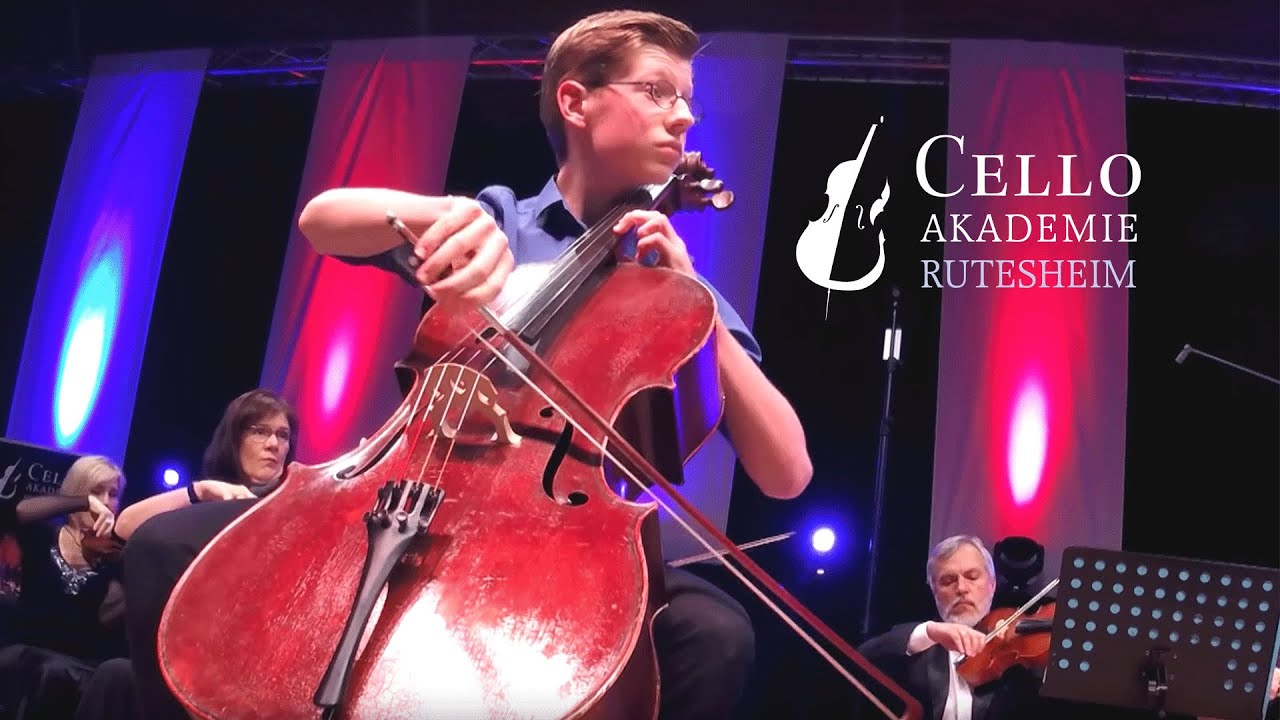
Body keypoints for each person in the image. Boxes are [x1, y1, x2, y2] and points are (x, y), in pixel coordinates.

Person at [122, 9, 812, 720]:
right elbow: (322, 219)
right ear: (576, 102)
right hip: (402, 486)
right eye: (659, 92)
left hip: (561, 537)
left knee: (715, 635)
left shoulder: (680, 293)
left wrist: (695, 297)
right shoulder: (500, 222)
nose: (685, 118)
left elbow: (786, 471)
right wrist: (436, 213)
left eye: (688, 99)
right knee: (164, 545)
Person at [857, 535, 1043, 720]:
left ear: (992, 585)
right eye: (948, 581)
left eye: (972, 577)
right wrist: (929, 632)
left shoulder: (1017, 659)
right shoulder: (918, 649)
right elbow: (863, 657)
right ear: (934, 591)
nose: (961, 588)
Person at [0, 455, 128, 719]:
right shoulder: (43, 535)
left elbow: (105, 622)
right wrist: (84, 502)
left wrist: (128, 571)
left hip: (77, 670)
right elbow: (22, 511)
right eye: (96, 491)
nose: (106, 501)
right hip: (24, 657)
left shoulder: (117, 555)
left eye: (113, 494)